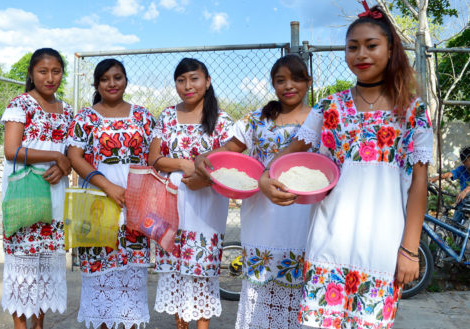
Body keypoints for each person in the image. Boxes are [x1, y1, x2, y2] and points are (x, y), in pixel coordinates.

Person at [259, 3, 433, 328]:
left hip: (382, 244)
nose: (360, 54)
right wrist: (266, 177)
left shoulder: (411, 110)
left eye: (371, 45)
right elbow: (290, 152)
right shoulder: (330, 106)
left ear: (391, 49)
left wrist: (410, 249)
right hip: (330, 239)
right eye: (352, 47)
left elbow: (419, 184)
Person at [195, 54, 315, 329]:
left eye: (296, 79)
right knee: (263, 287)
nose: (289, 86)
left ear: (308, 82)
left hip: (304, 214)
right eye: (281, 80)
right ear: (273, 84)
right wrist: (204, 157)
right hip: (262, 215)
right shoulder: (257, 119)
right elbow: (230, 150)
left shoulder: (321, 120)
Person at [67, 58, 155, 329]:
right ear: (97, 84)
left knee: (131, 288)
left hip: (135, 210)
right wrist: (108, 187)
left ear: (126, 80)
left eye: (117, 77)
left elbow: (154, 158)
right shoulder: (85, 117)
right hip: (97, 209)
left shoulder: (143, 116)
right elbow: (74, 156)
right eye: (105, 79)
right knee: (100, 283)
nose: (112, 83)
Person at [149, 58, 233, 329]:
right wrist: (185, 164)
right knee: (175, 270)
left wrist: (202, 177)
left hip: (207, 203)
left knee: (202, 271)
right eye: (181, 80)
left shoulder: (221, 121)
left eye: (194, 79)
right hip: (172, 201)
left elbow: (230, 162)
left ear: (207, 82)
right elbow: (155, 158)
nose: (188, 86)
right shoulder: (166, 115)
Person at [1, 48, 73, 329]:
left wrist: (64, 165)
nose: (50, 77)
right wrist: (55, 157)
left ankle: (39, 325)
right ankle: (21, 326)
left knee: (44, 268)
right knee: (22, 269)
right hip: (25, 196)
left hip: (54, 198)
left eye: (56, 71)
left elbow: (68, 152)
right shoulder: (20, 105)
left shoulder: (67, 110)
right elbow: (11, 150)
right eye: (43, 71)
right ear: (31, 74)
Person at [429, 146, 470, 224]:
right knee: (454, 225)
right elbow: (449, 174)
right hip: (462, 204)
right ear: (464, 162)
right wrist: (435, 178)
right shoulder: (462, 169)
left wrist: (466, 190)